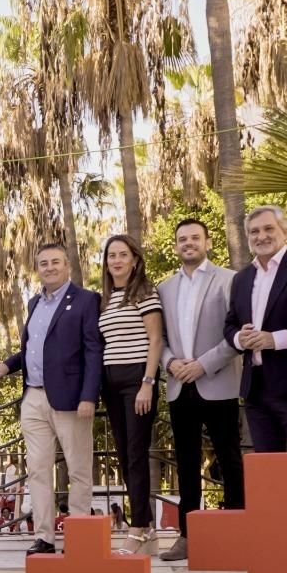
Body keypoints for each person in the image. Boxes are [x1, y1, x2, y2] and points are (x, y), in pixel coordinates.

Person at [0, 241, 104, 555]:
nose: (50, 267)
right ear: (37, 269)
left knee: (79, 468)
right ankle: (45, 538)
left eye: (56, 262)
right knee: (38, 470)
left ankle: (80, 535)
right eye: (43, 263)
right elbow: (34, 348)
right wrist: (8, 365)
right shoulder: (33, 304)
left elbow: (94, 349)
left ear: (67, 265)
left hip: (72, 400)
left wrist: (89, 395)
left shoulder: (86, 300)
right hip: (33, 398)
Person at [156, 218, 245, 562]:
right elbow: (158, 339)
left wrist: (203, 364)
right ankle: (187, 535)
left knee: (229, 458)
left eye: (195, 237)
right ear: (176, 245)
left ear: (207, 241)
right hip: (180, 386)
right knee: (186, 462)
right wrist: (170, 362)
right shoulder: (165, 288)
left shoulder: (229, 281)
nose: (188, 243)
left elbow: (235, 335)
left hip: (218, 383)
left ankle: (238, 531)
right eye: (182, 239)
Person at [226, 205, 287, 455]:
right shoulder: (241, 278)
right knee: (269, 471)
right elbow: (229, 325)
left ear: (285, 231)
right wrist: (240, 338)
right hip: (256, 389)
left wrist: (274, 340)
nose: (261, 236)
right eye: (254, 231)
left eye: (269, 228)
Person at [96, 233, 163, 552]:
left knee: (136, 454)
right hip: (111, 383)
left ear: (134, 260)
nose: (117, 260)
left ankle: (137, 527)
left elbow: (155, 340)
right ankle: (146, 524)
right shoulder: (105, 299)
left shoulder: (145, 293)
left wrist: (148, 383)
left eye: (123, 255)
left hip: (138, 379)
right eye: (111, 256)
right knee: (124, 454)